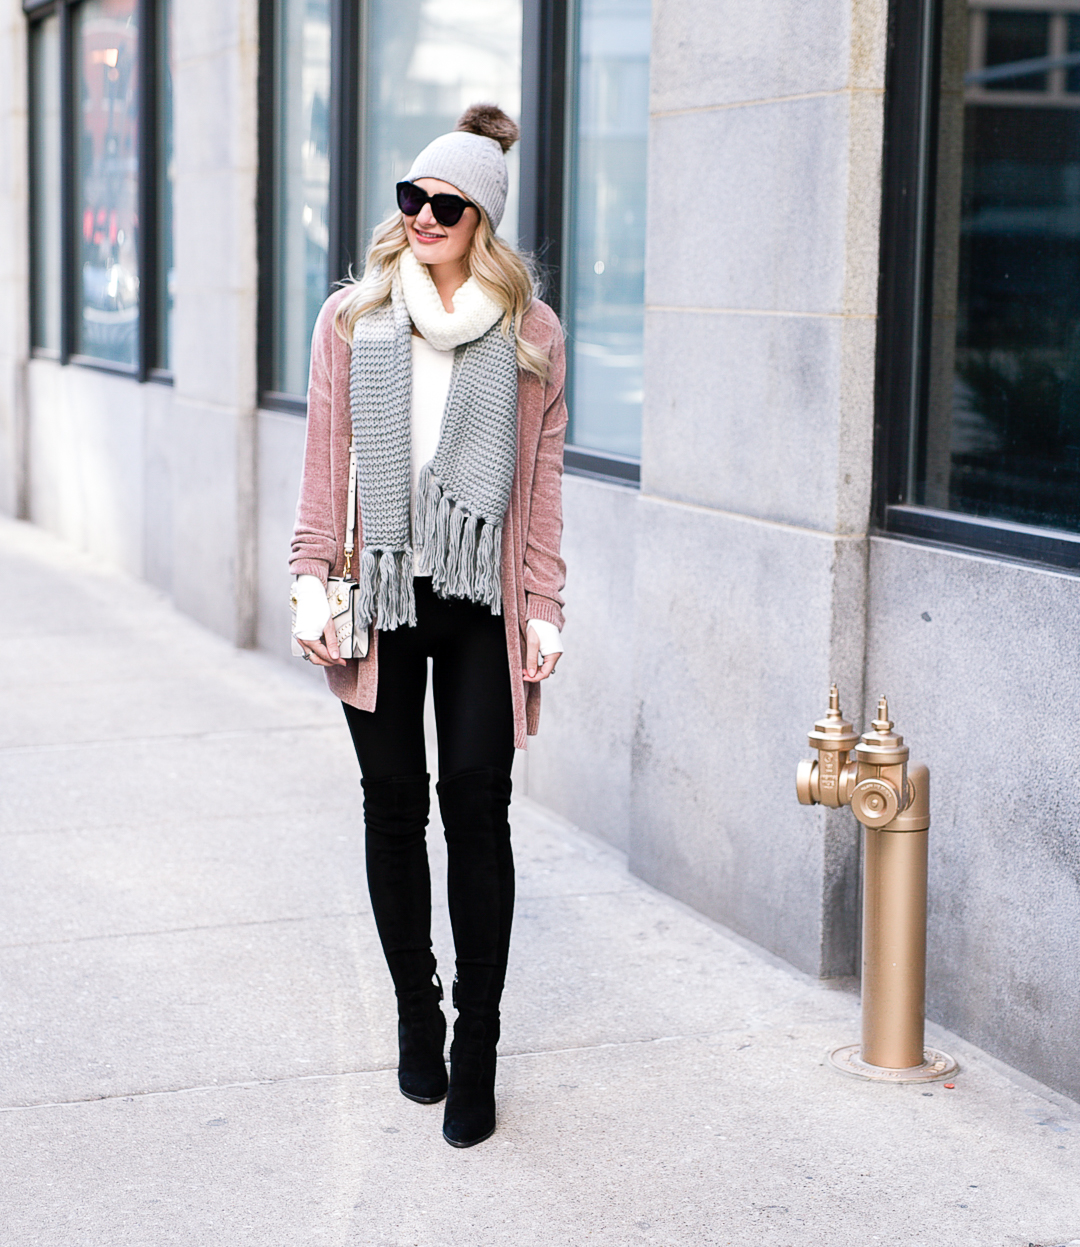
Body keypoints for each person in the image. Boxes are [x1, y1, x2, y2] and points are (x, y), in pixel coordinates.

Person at [288, 104, 567, 1149]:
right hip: (384, 595)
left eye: (445, 202)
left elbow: (540, 492)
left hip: (479, 604)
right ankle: (420, 1011)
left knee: (478, 807)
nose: (422, 215)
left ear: (481, 216)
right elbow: (325, 470)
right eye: (411, 197)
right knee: (393, 805)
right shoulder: (351, 319)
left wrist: (546, 605)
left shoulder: (528, 334)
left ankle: (481, 1045)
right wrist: (310, 578)